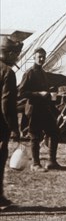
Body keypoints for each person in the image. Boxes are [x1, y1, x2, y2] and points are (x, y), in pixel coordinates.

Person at [17, 47, 65, 171]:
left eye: (43, 57)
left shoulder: (43, 73)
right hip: (34, 109)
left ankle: (51, 162)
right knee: (35, 136)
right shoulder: (29, 73)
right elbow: (21, 93)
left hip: (44, 109)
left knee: (54, 132)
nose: (42, 59)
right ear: (34, 57)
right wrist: (38, 94)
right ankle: (35, 164)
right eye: (39, 57)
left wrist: (50, 99)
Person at [1, 36, 23, 209]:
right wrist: (14, 129)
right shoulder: (7, 72)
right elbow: (7, 104)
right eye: (15, 54)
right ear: (7, 53)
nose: (17, 57)